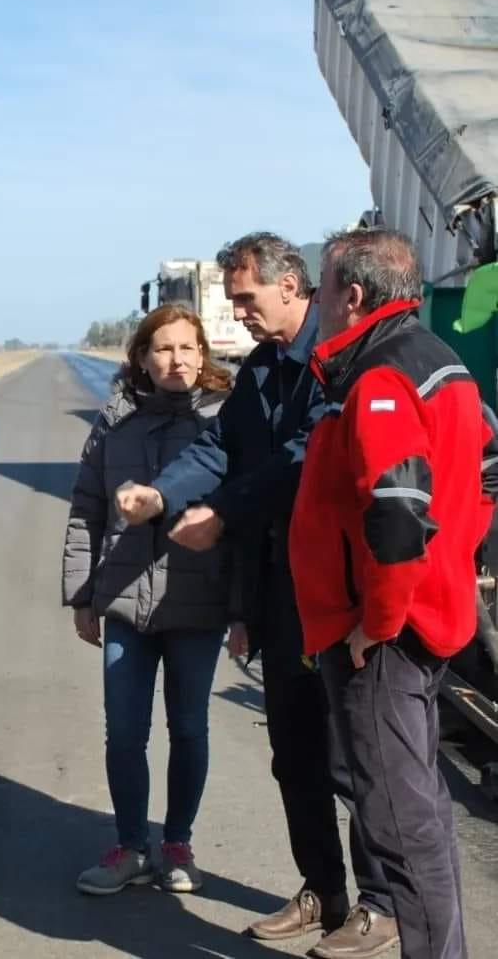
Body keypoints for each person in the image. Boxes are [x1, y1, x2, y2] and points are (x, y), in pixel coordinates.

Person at [116, 232, 397, 956]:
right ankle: (321, 890)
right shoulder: (265, 365)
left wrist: (225, 512)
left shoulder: (333, 360)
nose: (235, 312)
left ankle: (379, 901)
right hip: (280, 588)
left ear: (290, 286)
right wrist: (164, 493)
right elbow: (221, 449)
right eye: (234, 298)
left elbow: (302, 457)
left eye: (244, 297)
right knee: (293, 752)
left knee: (350, 756)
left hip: (335, 588)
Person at [290, 228, 498, 959]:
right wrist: (454, 556)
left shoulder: (378, 378)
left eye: (318, 286)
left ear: (350, 294)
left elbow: (397, 509)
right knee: (420, 810)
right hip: (424, 617)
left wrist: (374, 621)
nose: (314, 301)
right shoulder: (440, 363)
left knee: (399, 825)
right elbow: (486, 469)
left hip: (383, 636)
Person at [63, 305, 232, 897]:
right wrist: (82, 596)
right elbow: (86, 508)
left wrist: (241, 610)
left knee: (188, 726)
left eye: (189, 348)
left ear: (203, 355)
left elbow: (245, 513)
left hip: (198, 602)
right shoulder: (115, 420)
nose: (177, 360)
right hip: (124, 601)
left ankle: (178, 842)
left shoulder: (224, 419)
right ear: (141, 357)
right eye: (163, 349)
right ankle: (130, 845)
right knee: (125, 731)